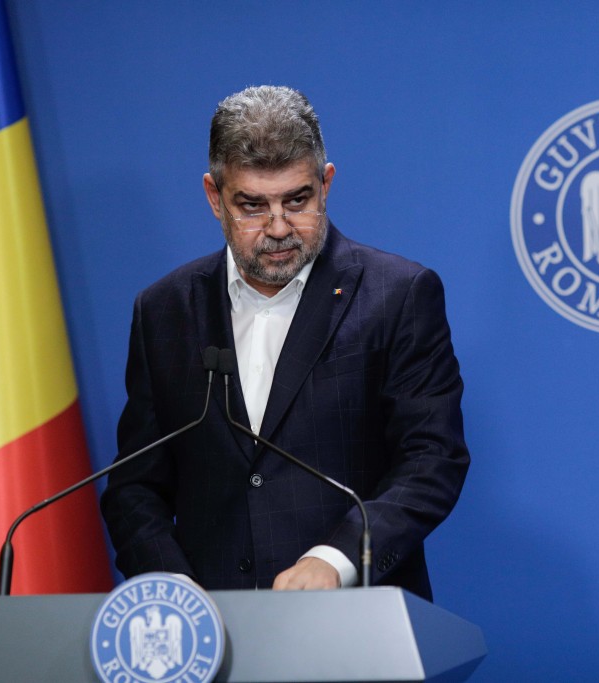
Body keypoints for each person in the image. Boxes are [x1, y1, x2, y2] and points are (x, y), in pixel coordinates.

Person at [100, 85, 469, 600]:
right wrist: (174, 586)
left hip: (355, 621)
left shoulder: (397, 295)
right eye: (252, 206)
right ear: (214, 197)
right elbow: (135, 486)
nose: (278, 228)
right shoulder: (164, 310)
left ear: (326, 184)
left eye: (297, 201)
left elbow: (432, 459)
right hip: (211, 630)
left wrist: (337, 559)